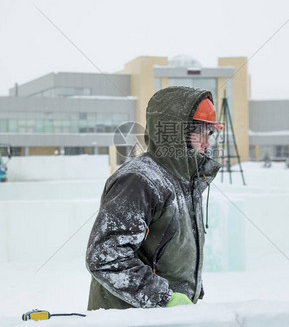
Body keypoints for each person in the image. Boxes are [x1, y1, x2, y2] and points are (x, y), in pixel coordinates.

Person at [86, 86, 222, 310]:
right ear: (177, 132)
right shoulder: (139, 181)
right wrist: (164, 298)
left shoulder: (184, 182)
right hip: (130, 319)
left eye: (211, 133)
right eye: (201, 132)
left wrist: (191, 289)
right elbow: (106, 257)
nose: (208, 143)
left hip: (169, 318)